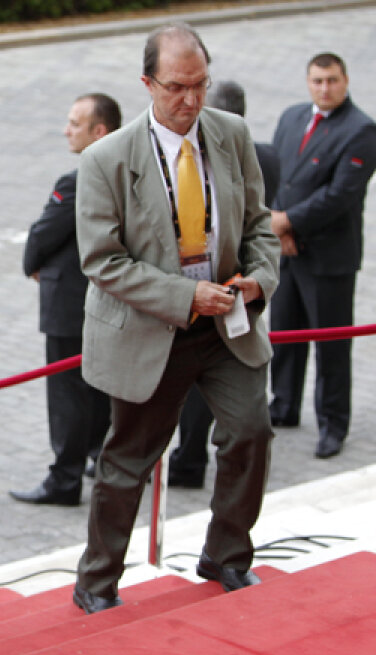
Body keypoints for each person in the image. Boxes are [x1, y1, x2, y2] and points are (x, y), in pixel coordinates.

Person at [72, 23, 280, 614]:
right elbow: (102, 261)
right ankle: (97, 578)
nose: (189, 100)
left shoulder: (232, 134)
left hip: (226, 325)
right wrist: (184, 297)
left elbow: (260, 225)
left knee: (251, 431)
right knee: (128, 458)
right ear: (147, 83)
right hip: (150, 328)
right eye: (176, 88)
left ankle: (226, 555)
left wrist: (259, 279)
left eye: (199, 85)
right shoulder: (107, 159)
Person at [169, 79, 281, 488]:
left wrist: (260, 275)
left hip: (229, 299)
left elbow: (259, 222)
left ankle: (192, 458)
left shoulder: (247, 153)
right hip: (191, 298)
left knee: (226, 402)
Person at [10, 93, 119, 507]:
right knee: (98, 390)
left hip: (70, 302)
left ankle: (64, 480)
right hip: (104, 300)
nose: (66, 129)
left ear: (99, 131)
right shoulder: (124, 172)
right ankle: (99, 458)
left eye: (75, 123)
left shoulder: (75, 181)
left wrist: (31, 263)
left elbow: (44, 232)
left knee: (68, 393)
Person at [268, 52, 376, 459]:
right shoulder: (292, 117)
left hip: (329, 258)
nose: (325, 88)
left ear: (345, 80)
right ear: (308, 82)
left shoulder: (362, 130)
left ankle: (333, 423)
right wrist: (281, 226)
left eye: (332, 80)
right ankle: (283, 404)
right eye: (317, 80)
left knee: (330, 344)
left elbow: (340, 196)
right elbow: (277, 175)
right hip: (288, 250)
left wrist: (288, 222)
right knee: (285, 332)